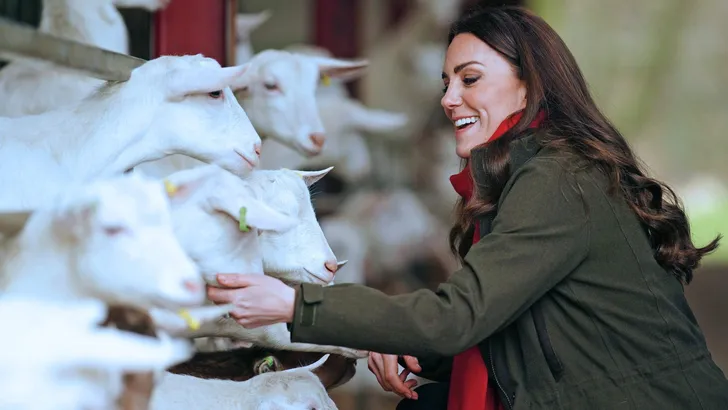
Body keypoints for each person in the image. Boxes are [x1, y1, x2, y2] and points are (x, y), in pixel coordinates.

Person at [206, 5, 728, 410]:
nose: (449, 98)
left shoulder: (558, 178)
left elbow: (461, 316)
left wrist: (296, 306)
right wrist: (415, 349)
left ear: (529, 86)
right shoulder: (531, 173)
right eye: (447, 83)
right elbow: (519, 332)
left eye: (470, 79)